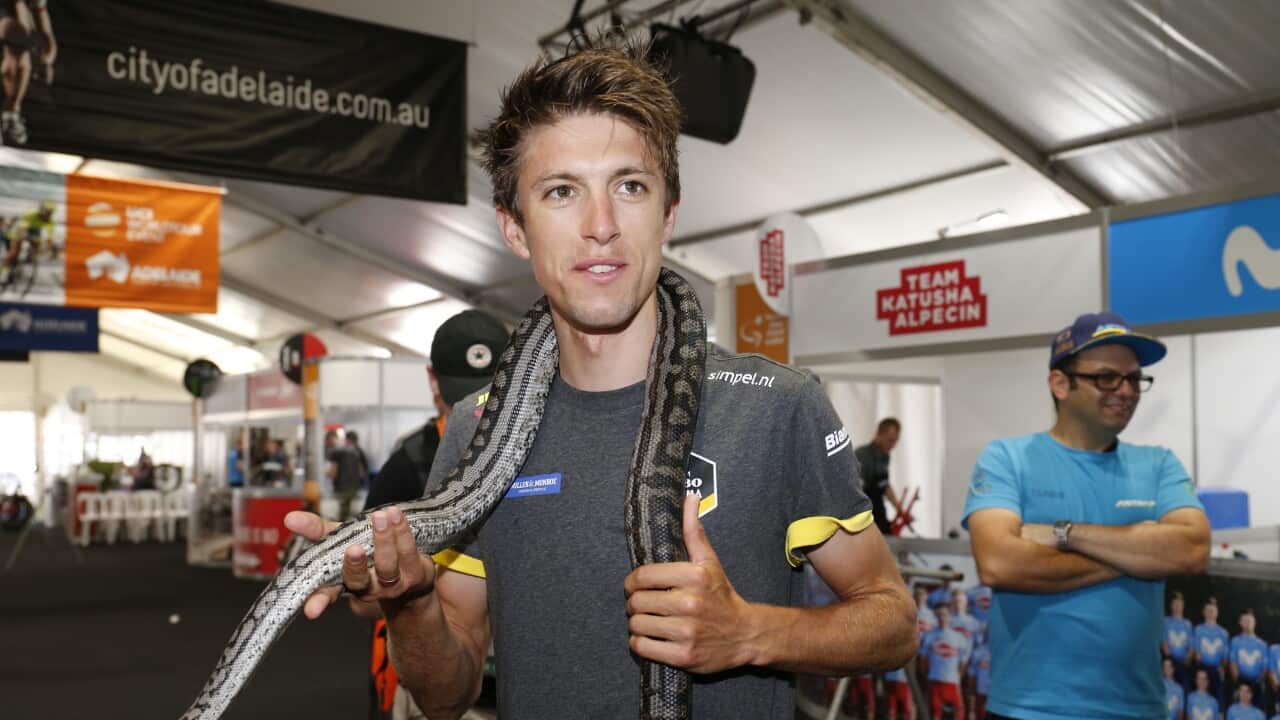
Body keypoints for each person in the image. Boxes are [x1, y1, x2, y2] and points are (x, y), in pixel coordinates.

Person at [285, 36, 917, 720]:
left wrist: (751, 634)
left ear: (668, 212)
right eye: (561, 192)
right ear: (515, 228)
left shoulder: (776, 408)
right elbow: (447, 695)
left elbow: (893, 621)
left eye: (630, 187)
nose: (602, 226)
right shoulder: (476, 431)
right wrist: (409, 603)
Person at [963, 311, 1210, 720]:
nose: (1126, 390)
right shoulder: (1007, 459)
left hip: (1138, 709)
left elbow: (1192, 551)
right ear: (1060, 383)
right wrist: (1140, 553)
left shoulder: (1159, 464)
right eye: (1107, 377)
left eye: (1134, 379)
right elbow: (999, 563)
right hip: (1028, 710)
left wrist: (1065, 533)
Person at [355, 308, 508, 720]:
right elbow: (363, 600)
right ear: (432, 380)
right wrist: (401, 594)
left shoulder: (532, 451)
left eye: (488, 391)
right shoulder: (410, 463)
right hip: (440, 681)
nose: (474, 408)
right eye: (462, 393)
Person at [361, 310, 509, 512]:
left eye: (490, 398)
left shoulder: (537, 448)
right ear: (433, 380)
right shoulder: (407, 467)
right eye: (462, 402)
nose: (477, 413)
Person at [0, 0, 55, 145]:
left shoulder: (13, 64)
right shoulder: (46, 51)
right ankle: (11, 115)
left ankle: (11, 115)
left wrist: (13, 106)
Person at [919, 602, 970, 720]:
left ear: (949, 615)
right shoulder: (929, 636)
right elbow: (921, 660)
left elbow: (964, 661)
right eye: (939, 615)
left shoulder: (959, 637)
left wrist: (959, 676)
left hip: (952, 682)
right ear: (936, 616)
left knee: (959, 714)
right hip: (934, 681)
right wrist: (927, 675)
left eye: (945, 615)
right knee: (935, 714)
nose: (942, 618)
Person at [853, 417, 902, 535]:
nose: (892, 445)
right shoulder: (862, 456)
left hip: (879, 511)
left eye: (895, 441)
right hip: (863, 516)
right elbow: (854, 492)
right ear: (878, 434)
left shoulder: (885, 456)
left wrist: (899, 509)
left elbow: (885, 485)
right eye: (890, 440)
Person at [1195, 598, 1231, 707]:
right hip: (1203, 669)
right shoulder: (1198, 629)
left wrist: (1221, 668)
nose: (1210, 613)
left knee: (1218, 702)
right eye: (1208, 610)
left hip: (1217, 670)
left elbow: (1225, 657)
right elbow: (1196, 653)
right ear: (1204, 612)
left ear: (1217, 613)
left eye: (1212, 611)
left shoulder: (1223, 632)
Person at [1232, 609, 1268, 709]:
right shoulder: (1235, 641)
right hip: (1241, 684)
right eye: (1245, 620)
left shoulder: (1262, 644)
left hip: (1257, 686)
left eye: (1250, 621)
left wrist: (1256, 684)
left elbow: (1264, 669)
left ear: (1255, 622)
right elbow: (1233, 664)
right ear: (1240, 622)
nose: (1247, 623)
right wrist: (1241, 685)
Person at [1166, 591, 1195, 691]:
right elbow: (1164, 644)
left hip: (1184, 664)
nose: (1177, 606)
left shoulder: (1188, 624)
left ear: (1183, 606)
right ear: (1171, 605)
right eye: (1175, 604)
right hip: (1170, 664)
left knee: (1185, 688)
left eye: (1180, 604)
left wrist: (1186, 660)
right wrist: (1172, 662)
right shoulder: (1166, 621)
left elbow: (1191, 647)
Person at [969, 632, 991, 720]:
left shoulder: (1005, 652)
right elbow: (972, 681)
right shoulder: (977, 652)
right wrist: (971, 710)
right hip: (982, 695)